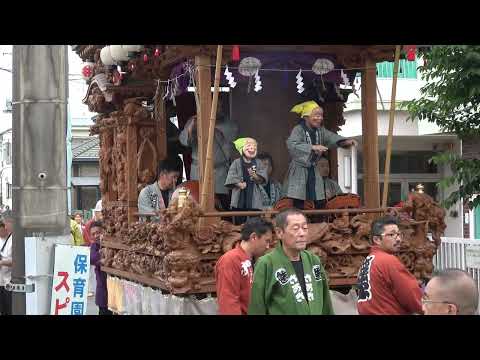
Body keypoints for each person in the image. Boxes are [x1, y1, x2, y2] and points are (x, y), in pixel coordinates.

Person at [248, 208, 334, 315]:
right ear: (279, 233)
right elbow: (257, 307)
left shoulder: (313, 260)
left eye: (305, 228)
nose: (302, 233)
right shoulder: (266, 263)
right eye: (295, 228)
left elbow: (326, 303)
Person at [284, 101, 355, 209]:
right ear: (306, 116)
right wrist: (312, 147)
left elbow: (331, 137)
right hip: (299, 170)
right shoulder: (298, 130)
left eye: (321, 116)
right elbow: (292, 144)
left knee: (319, 197)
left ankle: (319, 219)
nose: (320, 118)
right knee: (298, 200)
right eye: (316, 115)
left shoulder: (320, 131)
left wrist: (344, 142)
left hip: (313, 168)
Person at [179, 95, 238, 211]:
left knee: (220, 206)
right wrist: (192, 127)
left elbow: (229, 142)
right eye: (215, 106)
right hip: (198, 169)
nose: (218, 109)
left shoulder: (229, 125)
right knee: (196, 202)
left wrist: (211, 126)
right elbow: (184, 141)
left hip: (219, 172)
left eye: (220, 106)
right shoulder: (194, 121)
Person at [356, 216, 423, 315]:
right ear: (377, 239)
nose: (399, 239)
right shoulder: (388, 260)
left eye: (399, 234)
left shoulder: (368, 261)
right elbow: (411, 294)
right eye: (392, 235)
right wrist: (427, 308)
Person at [215, 217, 273, 315]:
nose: (268, 246)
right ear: (254, 237)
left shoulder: (255, 260)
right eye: (266, 241)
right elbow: (228, 302)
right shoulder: (230, 260)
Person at [225, 137, 268, 225]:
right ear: (242, 148)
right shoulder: (236, 163)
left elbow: (263, 179)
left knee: (255, 221)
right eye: (249, 145)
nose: (252, 148)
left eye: (254, 146)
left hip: (254, 195)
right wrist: (238, 184)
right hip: (239, 197)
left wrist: (255, 176)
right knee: (239, 221)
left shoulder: (258, 162)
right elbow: (230, 176)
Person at [89, 220, 112, 315]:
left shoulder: (112, 242)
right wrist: (103, 249)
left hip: (115, 291)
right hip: (103, 291)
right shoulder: (95, 246)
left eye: (98, 232)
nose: (96, 236)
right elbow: (92, 259)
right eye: (93, 234)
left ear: (103, 231)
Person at [0, 216, 13, 315]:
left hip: (9, 283)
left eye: (5, 224)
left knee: (9, 310)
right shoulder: (4, 238)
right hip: (1, 282)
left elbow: (17, 261)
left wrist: (1, 262)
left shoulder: (15, 239)